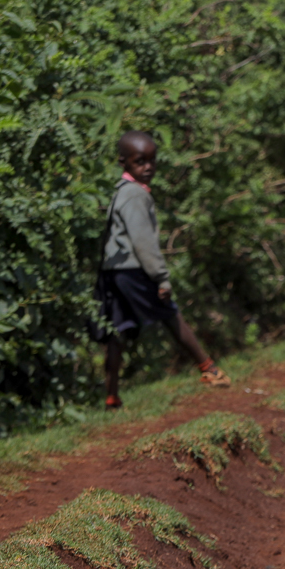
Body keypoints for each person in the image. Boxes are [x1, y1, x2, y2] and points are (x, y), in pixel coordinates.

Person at [97, 131, 230, 408]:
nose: (148, 167)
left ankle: (112, 395)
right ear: (123, 162)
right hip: (134, 271)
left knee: (116, 332)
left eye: (152, 161)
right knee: (170, 314)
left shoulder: (122, 191)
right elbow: (143, 242)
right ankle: (209, 369)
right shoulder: (134, 195)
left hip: (114, 272)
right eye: (139, 161)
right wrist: (161, 278)